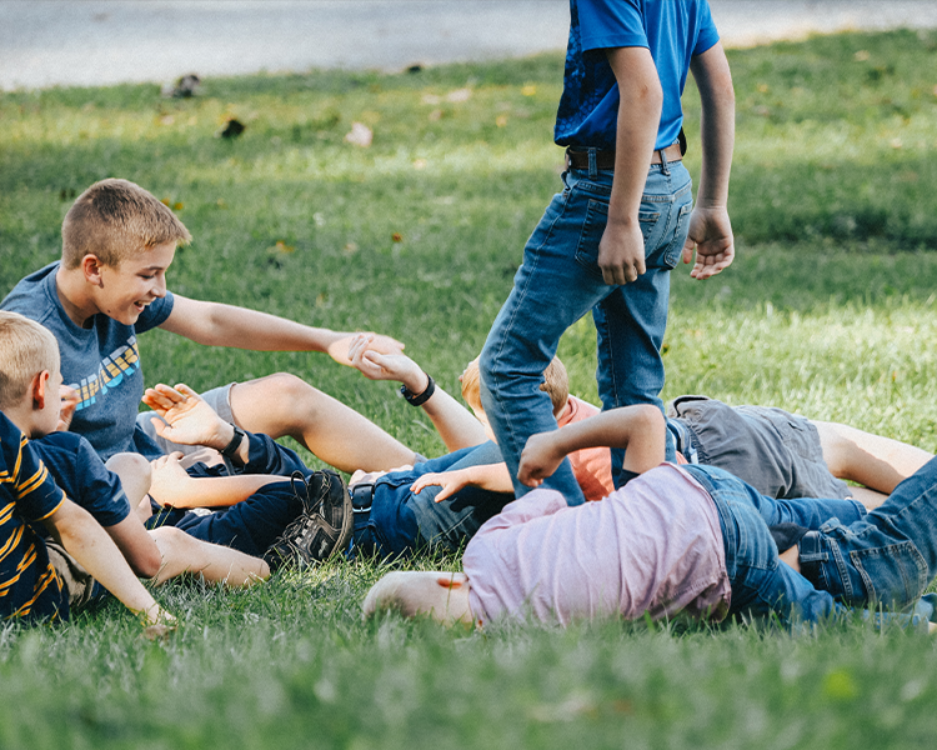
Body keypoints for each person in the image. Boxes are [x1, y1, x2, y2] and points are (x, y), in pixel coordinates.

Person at [479, 0, 736, 504]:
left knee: (509, 367)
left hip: (610, 191)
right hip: (672, 184)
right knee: (634, 386)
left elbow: (643, 90)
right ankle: (654, 535)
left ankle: (561, 534)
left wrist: (620, 220)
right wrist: (712, 202)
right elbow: (720, 88)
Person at [363, 407, 937, 633]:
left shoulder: (533, 631)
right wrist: (551, 451)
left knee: (822, 622)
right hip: (691, 485)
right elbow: (549, 504)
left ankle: (918, 626)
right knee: (825, 522)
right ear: (446, 580)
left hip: (714, 553)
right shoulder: (484, 551)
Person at [0, 178, 417, 475]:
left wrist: (328, 341)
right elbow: (17, 463)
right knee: (258, 494)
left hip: (140, 439)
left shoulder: (107, 292)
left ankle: (431, 477)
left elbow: (212, 321)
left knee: (285, 393)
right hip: (111, 480)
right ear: (93, 268)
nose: (159, 291)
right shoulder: (27, 332)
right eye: (149, 275)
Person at [0, 311, 268, 590]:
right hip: (35, 583)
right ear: (41, 388)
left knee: (130, 470)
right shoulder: (67, 452)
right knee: (171, 539)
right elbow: (146, 562)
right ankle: (266, 567)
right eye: (59, 383)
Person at [0, 317, 174, 630]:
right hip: (22, 603)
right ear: (40, 388)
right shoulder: (8, 441)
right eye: (58, 383)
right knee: (130, 479)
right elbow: (74, 527)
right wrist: (151, 612)